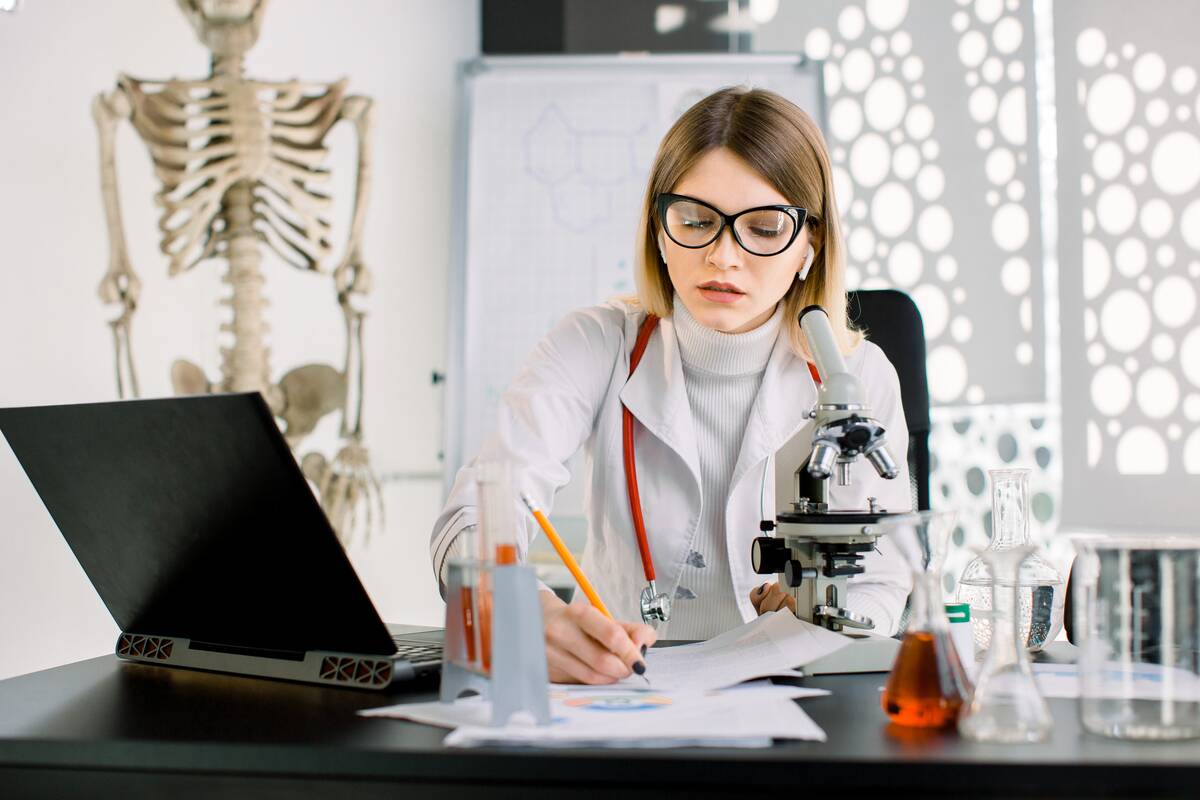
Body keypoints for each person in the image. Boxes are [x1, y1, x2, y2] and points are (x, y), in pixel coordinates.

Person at [430, 86, 912, 685]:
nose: (723, 255)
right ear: (659, 230)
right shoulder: (594, 345)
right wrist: (510, 609)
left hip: (797, 689)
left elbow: (888, 578)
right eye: (696, 221)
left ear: (810, 245)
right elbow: (471, 517)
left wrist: (832, 613)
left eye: (763, 228)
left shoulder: (857, 374)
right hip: (621, 689)